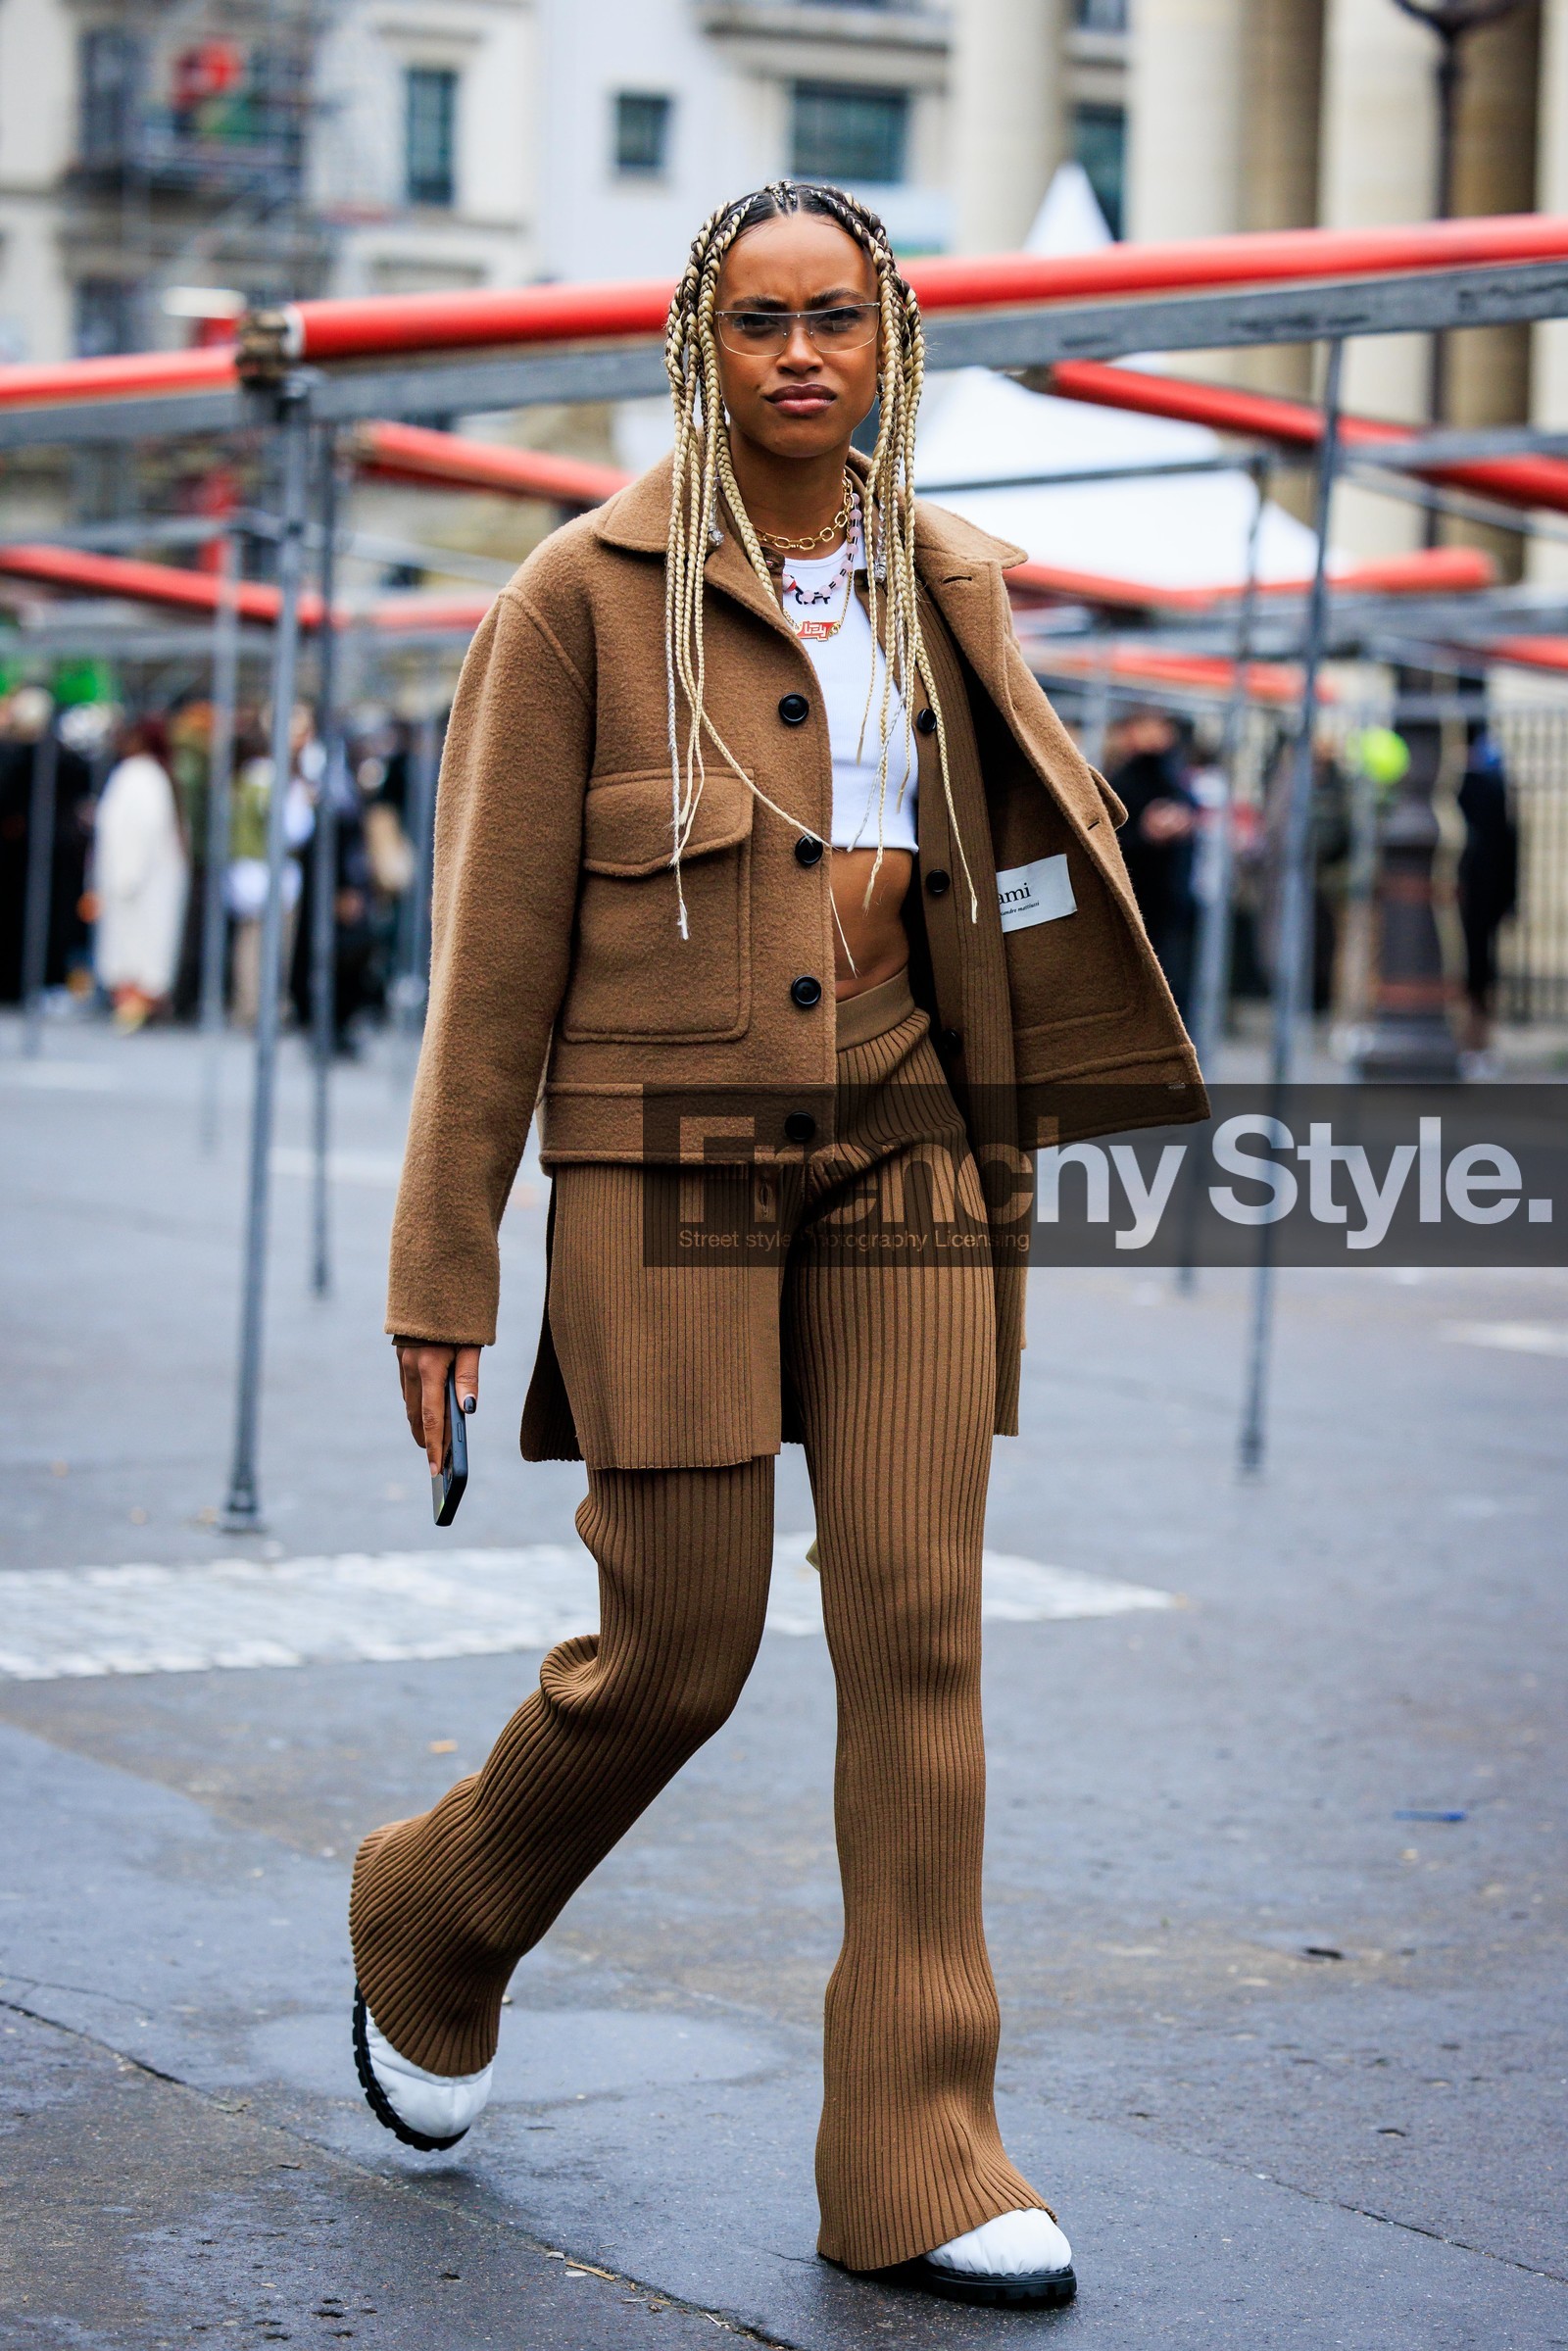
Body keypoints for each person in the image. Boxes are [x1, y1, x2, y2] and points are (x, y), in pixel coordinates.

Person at [350, 180, 1205, 2312]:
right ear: (699, 345)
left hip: (907, 1126)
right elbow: (484, 975)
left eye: (836, 316)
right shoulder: (573, 599)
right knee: (684, 1641)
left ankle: (920, 2147)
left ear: (890, 336)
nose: (801, 353)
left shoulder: (949, 583)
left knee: (920, 1624)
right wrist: (443, 1266)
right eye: (759, 321)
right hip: (670, 1153)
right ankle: (435, 1913)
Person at [91, 715, 188, 1029]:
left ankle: (136, 1005)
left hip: (137, 882)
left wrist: (126, 875)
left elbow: (137, 830)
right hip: (144, 880)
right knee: (140, 943)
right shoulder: (151, 775)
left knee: (135, 946)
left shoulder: (138, 776)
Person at [1104, 707, 1199, 1016]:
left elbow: (1188, 810)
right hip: (1134, 898)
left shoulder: (1170, 774)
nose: (1157, 735)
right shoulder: (1122, 780)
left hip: (1166, 901)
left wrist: (1180, 821)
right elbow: (1111, 839)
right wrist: (1146, 834)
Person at [1455, 724, 1517, 1065]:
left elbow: (1507, 845)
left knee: (1475, 969)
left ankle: (1475, 1041)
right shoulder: (1490, 785)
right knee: (1476, 969)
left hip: (1475, 894)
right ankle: (1474, 1041)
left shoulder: (1472, 785)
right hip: (1479, 894)